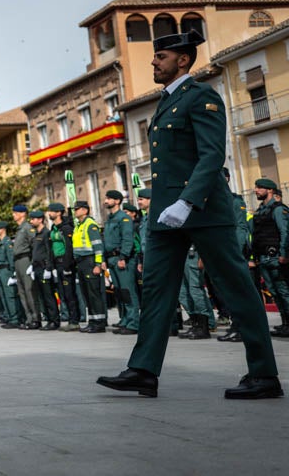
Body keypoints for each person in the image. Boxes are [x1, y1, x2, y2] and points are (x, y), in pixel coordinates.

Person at [98, 31, 281, 399]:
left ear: (183, 60)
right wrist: (169, 208)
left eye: (160, 56)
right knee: (156, 291)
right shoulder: (166, 102)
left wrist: (188, 201)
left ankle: (264, 375)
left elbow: (212, 155)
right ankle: (144, 370)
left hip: (202, 212)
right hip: (166, 216)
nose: (153, 61)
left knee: (238, 289)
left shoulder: (202, 97)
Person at [249, 178, 289, 336]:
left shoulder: (279, 210)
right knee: (274, 292)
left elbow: (285, 232)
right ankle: (285, 323)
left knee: (284, 291)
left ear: (270, 190)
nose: (256, 190)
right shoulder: (260, 211)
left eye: (259, 188)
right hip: (263, 258)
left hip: (277, 258)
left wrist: (285, 255)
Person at [103, 190, 140, 335]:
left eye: (109, 198)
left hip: (121, 259)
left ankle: (133, 323)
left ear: (117, 201)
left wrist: (123, 257)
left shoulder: (124, 218)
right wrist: (105, 260)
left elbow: (127, 239)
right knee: (119, 292)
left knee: (127, 291)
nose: (106, 201)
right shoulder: (110, 218)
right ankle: (125, 319)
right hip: (111, 259)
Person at [71, 201, 107, 333]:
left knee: (93, 293)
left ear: (85, 210)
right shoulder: (78, 225)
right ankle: (92, 321)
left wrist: (98, 264)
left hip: (90, 261)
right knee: (87, 293)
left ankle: (99, 322)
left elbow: (98, 246)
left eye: (77, 209)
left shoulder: (90, 225)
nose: (75, 211)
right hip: (81, 262)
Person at [29, 209, 59, 330]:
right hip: (37, 267)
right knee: (41, 296)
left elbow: (49, 252)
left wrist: (48, 268)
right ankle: (48, 319)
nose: (31, 221)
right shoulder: (36, 234)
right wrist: (32, 265)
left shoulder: (46, 233)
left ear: (40, 220)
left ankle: (54, 320)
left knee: (48, 295)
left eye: (33, 219)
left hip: (44, 267)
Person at [11, 205, 38, 328]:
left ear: (23, 214)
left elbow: (34, 245)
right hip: (18, 261)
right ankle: (29, 318)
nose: (13, 215)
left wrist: (32, 263)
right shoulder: (18, 229)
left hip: (25, 260)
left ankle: (35, 318)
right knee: (22, 291)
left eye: (16, 213)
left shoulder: (28, 228)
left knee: (29, 290)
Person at [0, 222, 20, 329]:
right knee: (3, 296)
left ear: (3, 229)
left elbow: (11, 259)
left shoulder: (7, 243)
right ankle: (9, 317)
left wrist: (13, 274)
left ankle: (15, 318)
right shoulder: (1, 243)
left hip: (6, 271)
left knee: (10, 296)